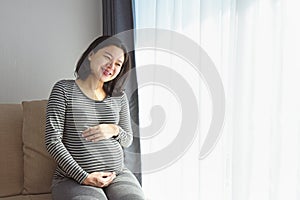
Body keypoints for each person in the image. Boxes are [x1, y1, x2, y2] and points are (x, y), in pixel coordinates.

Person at [45, 35, 145, 200]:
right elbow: (52, 141)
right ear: (91, 54)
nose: (111, 66)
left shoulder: (119, 97)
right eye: (107, 57)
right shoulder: (63, 89)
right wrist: (83, 176)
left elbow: (127, 140)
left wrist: (113, 129)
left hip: (117, 175)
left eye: (118, 64)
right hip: (73, 179)